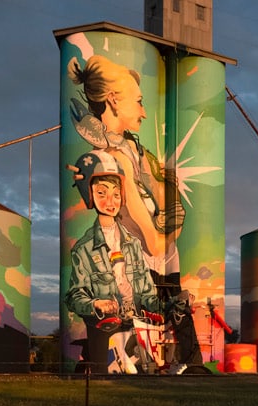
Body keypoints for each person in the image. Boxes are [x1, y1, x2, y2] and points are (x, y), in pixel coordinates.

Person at [67, 54, 184, 300]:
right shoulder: (113, 160)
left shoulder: (132, 148)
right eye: (139, 102)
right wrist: (176, 225)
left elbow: (161, 188)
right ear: (113, 100)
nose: (144, 112)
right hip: (142, 276)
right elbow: (154, 245)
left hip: (158, 271)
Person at [65, 151, 164, 374]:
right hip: (103, 323)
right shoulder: (83, 248)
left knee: (146, 373)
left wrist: (161, 305)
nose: (110, 201)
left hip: (133, 322)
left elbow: (145, 290)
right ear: (88, 194)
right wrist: (96, 305)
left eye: (116, 194)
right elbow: (74, 296)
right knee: (103, 377)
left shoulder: (133, 244)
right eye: (101, 193)